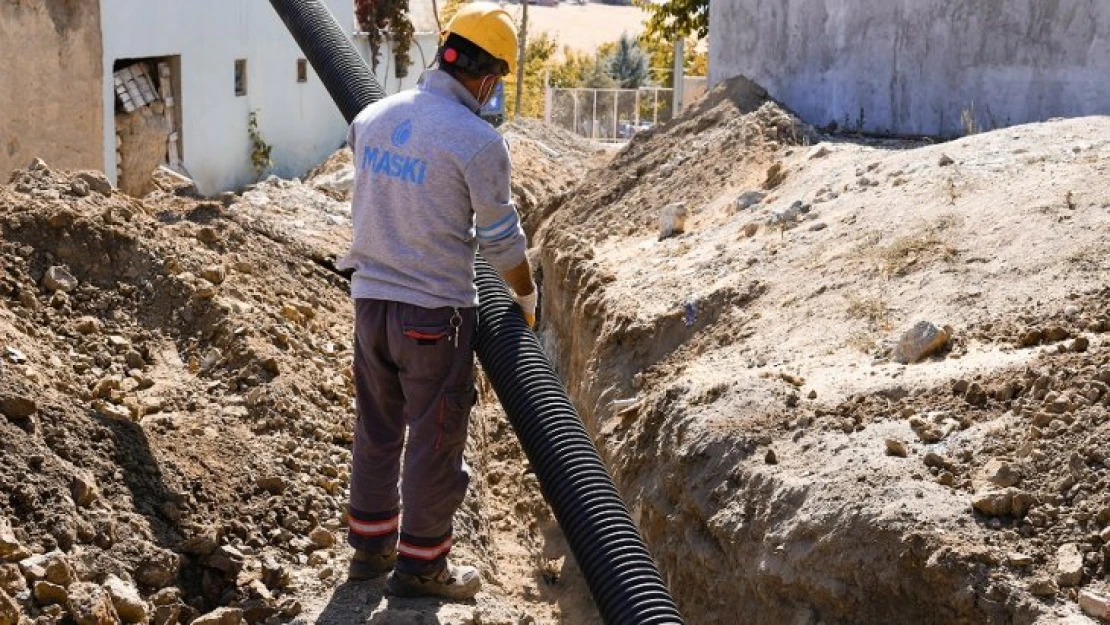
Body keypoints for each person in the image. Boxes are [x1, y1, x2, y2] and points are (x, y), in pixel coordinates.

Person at [337, 2, 536, 601]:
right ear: (488, 77)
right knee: (433, 436)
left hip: (370, 304)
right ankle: (422, 566)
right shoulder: (477, 141)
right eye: (496, 81)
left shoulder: (371, 118)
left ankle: (370, 552)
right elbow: (500, 238)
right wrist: (524, 295)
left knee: (377, 428)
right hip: (435, 316)